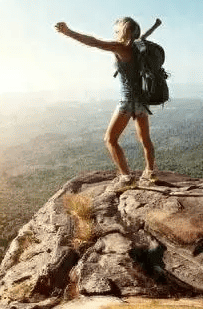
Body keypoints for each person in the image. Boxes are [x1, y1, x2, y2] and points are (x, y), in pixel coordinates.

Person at [54, 17, 156, 190]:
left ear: (125, 31)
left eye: (117, 30)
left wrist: (68, 32)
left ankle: (126, 177)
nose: (115, 32)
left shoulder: (120, 47)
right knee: (145, 139)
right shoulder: (139, 47)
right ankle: (151, 172)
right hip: (141, 101)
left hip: (127, 101)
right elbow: (142, 37)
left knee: (110, 139)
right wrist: (152, 27)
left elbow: (94, 42)